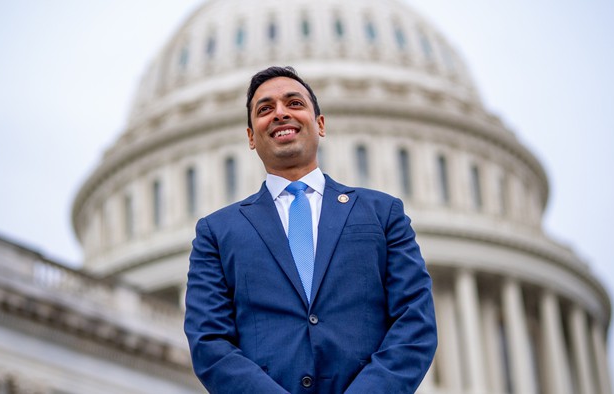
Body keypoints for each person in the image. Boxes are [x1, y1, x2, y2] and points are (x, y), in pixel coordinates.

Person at [184, 66, 437, 393]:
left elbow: (415, 322)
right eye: (264, 109)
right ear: (250, 137)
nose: (279, 114)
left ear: (320, 124)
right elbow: (209, 342)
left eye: (294, 103)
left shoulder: (382, 214)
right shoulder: (216, 233)